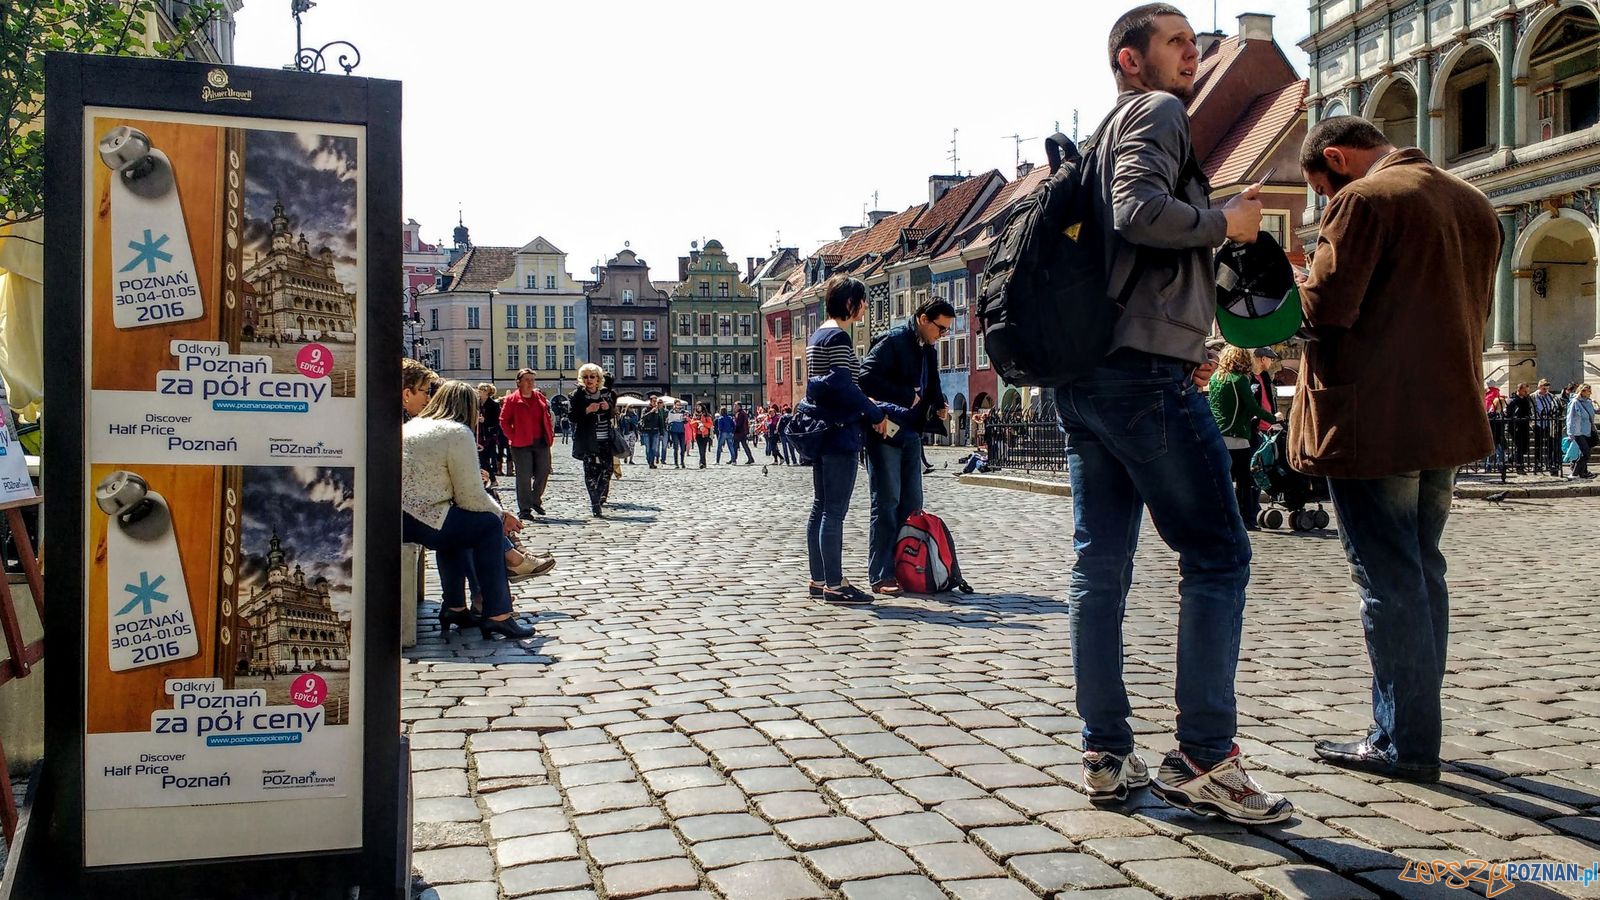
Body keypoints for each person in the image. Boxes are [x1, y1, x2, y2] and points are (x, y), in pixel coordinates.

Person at [1056, 4, 1289, 822]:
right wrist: (1224, 221)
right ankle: (1203, 757)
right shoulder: (1155, 112)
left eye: (1196, 43)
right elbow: (1139, 212)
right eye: (1177, 43)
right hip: (1145, 372)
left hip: (1086, 379)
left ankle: (1105, 753)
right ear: (1131, 59)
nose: (1194, 54)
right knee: (1219, 555)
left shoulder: (1101, 133)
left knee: (1101, 568)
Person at [1292, 114, 1501, 783]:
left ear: (1337, 160)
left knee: (1388, 582)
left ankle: (1402, 740)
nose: (1325, 205)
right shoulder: (1472, 201)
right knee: (1421, 570)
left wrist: (1286, 283)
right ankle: (1415, 729)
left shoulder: (1364, 200)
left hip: (1372, 421)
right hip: (1446, 418)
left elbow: (1325, 308)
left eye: (1321, 191)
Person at [402, 381, 534, 641]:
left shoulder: (413, 426)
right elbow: (470, 496)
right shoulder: (456, 432)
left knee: (458, 526)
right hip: (423, 517)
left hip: (402, 516)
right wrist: (502, 515)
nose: (480, 416)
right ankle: (497, 614)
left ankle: (454, 607)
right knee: (485, 526)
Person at [805, 276, 899, 605]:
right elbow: (845, 387)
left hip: (820, 429)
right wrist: (875, 414)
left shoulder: (817, 335)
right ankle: (835, 583)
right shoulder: (840, 338)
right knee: (834, 511)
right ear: (850, 304)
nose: (865, 307)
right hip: (840, 431)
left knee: (820, 507)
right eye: (862, 301)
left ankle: (818, 579)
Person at [859, 298, 953, 596]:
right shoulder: (894, 341)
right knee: (887, 502)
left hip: (911, 431)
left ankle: (907, 568)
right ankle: (881, 573)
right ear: (924, 319)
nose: (942, 334)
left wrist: (939, 405)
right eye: (941, 328)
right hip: (885, 429)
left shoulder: (928, 348)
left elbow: (932, 383)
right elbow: (865, 377)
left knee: (912, 504)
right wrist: (904, 395)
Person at [1209, 346, 1277, 529]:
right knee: (1244, 481)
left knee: (1222, 480)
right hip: (1238, 436)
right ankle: (1245, 519)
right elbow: (1253, 407)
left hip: (1218, 435)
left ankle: (1220, 517)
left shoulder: (1216, 378)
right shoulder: (1240, 380)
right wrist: (1274, 418)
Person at [500, 369, 554, 518]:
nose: (530, 383)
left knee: (543, 471)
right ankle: (525, 509)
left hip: (541, 441)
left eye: (532, 380)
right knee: (523, 476)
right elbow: (504, 421)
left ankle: (535, 499)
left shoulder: (539, 398)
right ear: (519, 382)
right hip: (521, 443)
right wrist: (513, 436)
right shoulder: (512, 400)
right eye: (527, 380)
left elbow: (546, 417)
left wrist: (550, 434)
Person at [568, 364, 618, 517]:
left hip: (606, 439)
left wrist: (607, 407)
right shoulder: (577, 395)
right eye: (586, 377)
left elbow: (611, 413)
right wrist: (587, 410)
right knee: (590, 473)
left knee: (607, 470)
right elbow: (572, 416)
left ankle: (598, 494)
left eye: (592, 377)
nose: (589, 380)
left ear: (598, 379)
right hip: (588, 440)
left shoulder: (605, 394)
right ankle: (595, 504)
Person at [476, 383, 503, 485]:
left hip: (489, 436)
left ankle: (492, 480)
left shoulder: (494, 405)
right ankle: (487, 480)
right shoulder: (477, 403)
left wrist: (485, 420)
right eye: (479, 390)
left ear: (487, 392)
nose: (479, 392)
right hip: (478, 434)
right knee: (481, 459)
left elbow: (496, 421)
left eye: (482, 390)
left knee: (484, 459)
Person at [1566, 384, 1595, 479]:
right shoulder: (1575, 402)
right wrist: (1570, 433)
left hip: (1588, 431)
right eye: (1588, 391)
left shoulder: (1589, 402)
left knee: (1584, 453)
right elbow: (1570, 418)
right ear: (1582, 391)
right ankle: (1574, 473)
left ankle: (1582, 473)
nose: (1590, 393)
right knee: (1586, 453)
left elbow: (1591, 413)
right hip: (1578, 432)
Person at [1507, 383, 1533, 473]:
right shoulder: (1513, 400)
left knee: (1525, 447)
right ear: (1519, 390)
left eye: (1527, 391)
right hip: (1515, 427)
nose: (1526, 392)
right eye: (1525, 391)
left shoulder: (1526, 400)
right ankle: (1519, 466)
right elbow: (1508, 414)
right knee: (1519, 446)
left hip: (1524, 426)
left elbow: (1529, 411)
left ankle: (1510, 460)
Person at [641, 397, 666, 469]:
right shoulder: (645, 409)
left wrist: (661, 433)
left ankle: (652, 462)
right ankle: (649, 461)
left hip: (655, 431)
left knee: (654, 448)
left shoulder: (658, 410)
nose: (655, 403)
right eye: (654, 401)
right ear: (651, 401)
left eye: (656, 401)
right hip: (647, 431)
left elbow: (660, 421)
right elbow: (643, 418)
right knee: (648, 448)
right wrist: (651, 412)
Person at [666, 402, 688, 468]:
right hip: (674, 431)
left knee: (683, 447)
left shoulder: (683, 411)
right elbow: (669, 421)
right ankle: (676, 463)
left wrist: (685, 419)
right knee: (676, 447)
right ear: (674, 405)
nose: (678, 406)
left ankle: (682, 462)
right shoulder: (671, 412)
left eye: (679, 405)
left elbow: (686, 421)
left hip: (682, 431)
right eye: (677, 405)